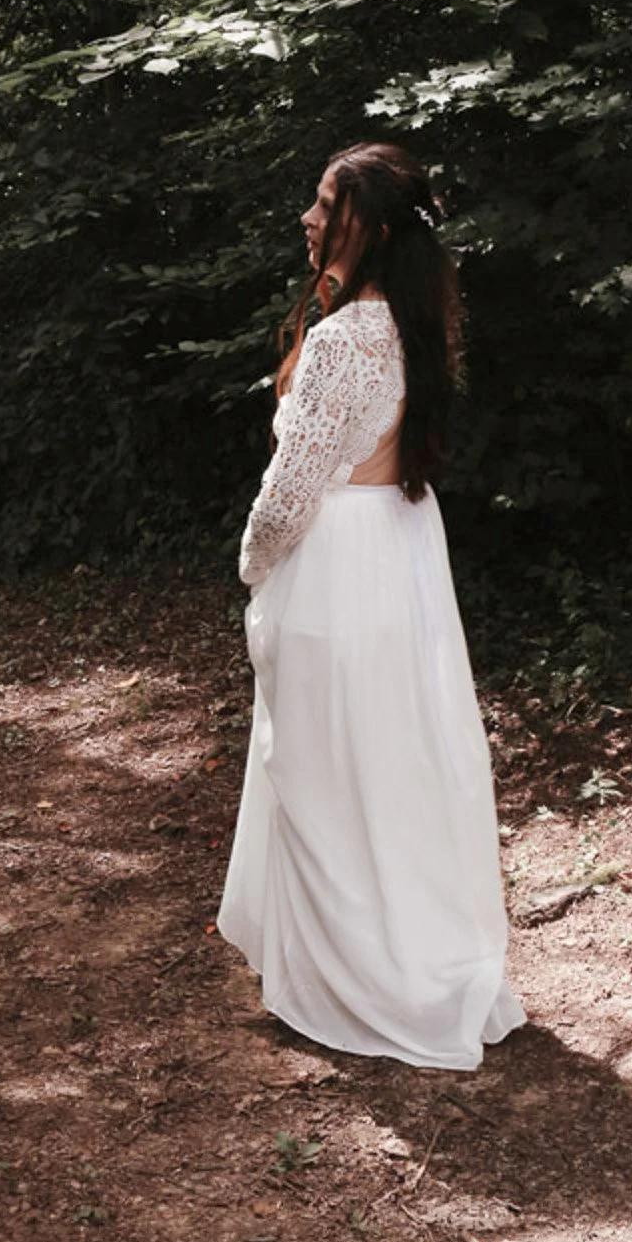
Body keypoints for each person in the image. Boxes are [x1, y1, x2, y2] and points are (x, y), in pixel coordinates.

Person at [217, 141, 526, 1071]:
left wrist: (252, 566)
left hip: (341, 562)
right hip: (399, 551)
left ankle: (353, 979)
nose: (309, 221)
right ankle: (409, 954)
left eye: (326, 206)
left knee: (324, 769)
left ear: (374, 228)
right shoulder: (414, 324)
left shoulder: (347, 338)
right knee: (392, 761)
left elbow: (288, 493)